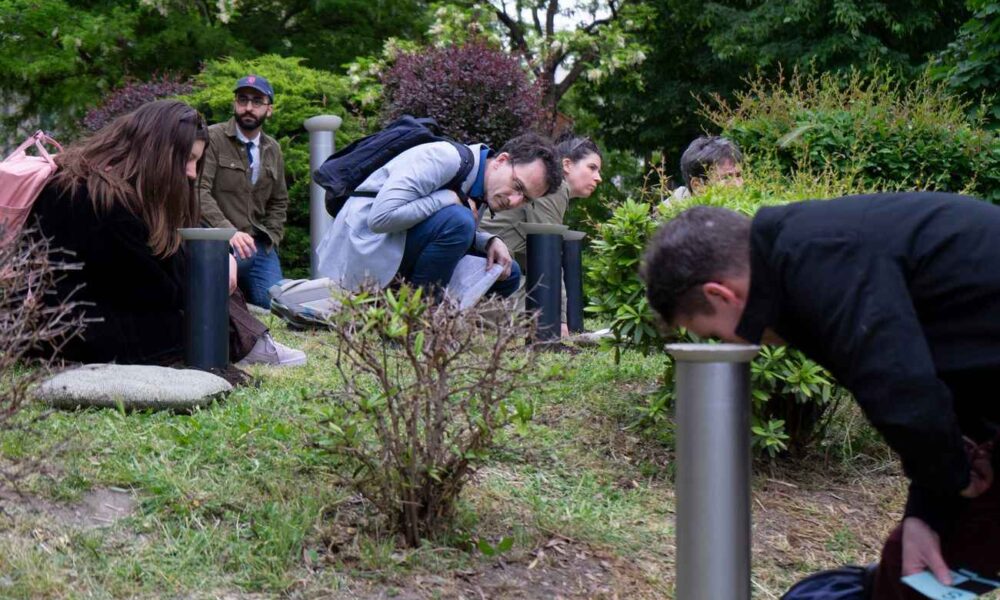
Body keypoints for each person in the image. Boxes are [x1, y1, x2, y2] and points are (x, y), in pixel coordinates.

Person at [640, 193, 1000, 599]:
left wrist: (953, 482)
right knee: (915, 563)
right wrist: (928, 512)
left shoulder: (820, 261)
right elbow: (941, 381)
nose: (725, 345)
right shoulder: (801, 259)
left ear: (722, 295)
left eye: (711, 334)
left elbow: (900, 387)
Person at [29, 100, 305, 367]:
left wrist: (216, 262)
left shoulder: (92, 183)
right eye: (188, 159)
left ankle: (249, 340)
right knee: (204, 296)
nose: (192, 173)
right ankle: (246, 342)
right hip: (77, 333)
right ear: (158, 151)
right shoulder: (103, 201)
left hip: (65, 323)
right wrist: (214, 270)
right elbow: (156, 288)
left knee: (205, 280)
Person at [316, 132, 562, 298]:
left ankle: (445, 323)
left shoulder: (482, 187)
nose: (515, 201)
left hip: (392, 245)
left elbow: (433, 223)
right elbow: (381, 218)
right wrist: (447, 198)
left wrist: (487, 240)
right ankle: (413, 324)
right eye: (518, 186)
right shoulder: (444, 158)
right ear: (501, 160)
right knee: (459, 222)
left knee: (506, 273)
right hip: (362, 246)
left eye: (526, 198)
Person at [480, 134, 602, 335]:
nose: (598, 177)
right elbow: (549, 257)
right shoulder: (555, 190)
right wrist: (558, 321)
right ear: (567, 164)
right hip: (484, 275)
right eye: (592, 167)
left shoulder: (551, 192)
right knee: (537, 299)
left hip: (487, 272)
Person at [198, 75, 289, 309]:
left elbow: (279, 201)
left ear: (269, 109)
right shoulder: (213, 138)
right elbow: (200, 191)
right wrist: (229, 232)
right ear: (234, 103)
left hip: (258, 245)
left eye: (257, 101)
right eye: (242, 99)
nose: (248, 107)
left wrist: (272, 238)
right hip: (219, 239)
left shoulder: (273, 149)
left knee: (276, 305)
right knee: (217, 295)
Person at [669, 135, 744, 202]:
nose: (738, 185)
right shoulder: (671, 215)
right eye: (726, 178)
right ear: (697, 186)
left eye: (738, 175)